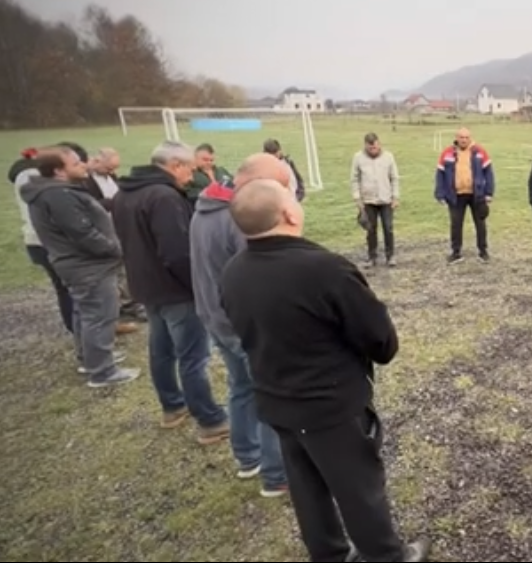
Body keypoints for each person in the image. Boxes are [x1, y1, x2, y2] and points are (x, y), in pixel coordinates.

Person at [221, 178, 429, 563]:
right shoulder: (325, 269)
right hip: (329, 407)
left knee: (307, 487)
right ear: (288, 213)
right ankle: (387, 557)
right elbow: (380, 340)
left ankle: (329, 554)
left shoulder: (233, 270)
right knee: (359, 490)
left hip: (276, 400)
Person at [112, 141, 229, 443]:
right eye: (190, 169)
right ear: (175, 165)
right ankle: (210, 420)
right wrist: (199, 286)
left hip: (146, 285)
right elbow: (177, 253)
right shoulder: (163, 197)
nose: (191, 177)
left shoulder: (125, 192)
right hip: (175, 290)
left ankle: (172, 406)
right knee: (193, 357)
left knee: (161, 350)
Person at [191, 154, 290, 498]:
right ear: (254, 183)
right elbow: (259, 277)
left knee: (241, 388)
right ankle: (277, 473)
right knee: (271, 394)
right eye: (279, 185)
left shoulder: (206, 207)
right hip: (243, 325)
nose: (283, 193)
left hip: (216, 317)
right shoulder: (240, 219)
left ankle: (248, 457)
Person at [19, 146, 141, 387]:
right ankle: (103, 371)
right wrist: (115, 249)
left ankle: (90, 358)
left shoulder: (55, 191)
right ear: (58, 171)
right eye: (76, 163)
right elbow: (83, 233)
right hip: (87, 267)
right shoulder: (58, 195)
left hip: (80, 264)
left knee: (85, 313)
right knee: (100, 315)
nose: (84, 165)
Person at [11, 147, 73, 334]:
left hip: (36, 241)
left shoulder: (26, 181)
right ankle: (79, 330)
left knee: (63, 288)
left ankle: (78, 329)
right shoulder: (39, 184)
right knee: (68, 288)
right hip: (47, 242)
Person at [85, 147, 144, 326]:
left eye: (114, 169)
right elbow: (87, 204)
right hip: (100, 229)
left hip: (118, 225)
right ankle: (120, 306)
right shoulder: (85, 180)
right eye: (108, 168)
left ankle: (129, 302)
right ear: (96, 161)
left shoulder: (111, 177)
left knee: (125, 265)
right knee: (113, 269)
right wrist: (113, 203)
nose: (112, 172)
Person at [434, 127, 494, 264]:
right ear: (456, 138)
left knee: (480, 224)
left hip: (477, 195)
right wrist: (440, 194)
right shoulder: (447, 153)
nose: (464, 140)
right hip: (455, 196)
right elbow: (440, 174)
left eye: (466, 137)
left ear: (470, 138)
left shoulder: (480, 152)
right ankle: (456, 253)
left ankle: (483, 251)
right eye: (461, 137)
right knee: (456, 225)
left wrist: (489, 192)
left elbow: (489, 172)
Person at [350, 132, 400, 267]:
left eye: (375, 147)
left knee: (388, 228)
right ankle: (372, 256)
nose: (373, 149)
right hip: (368, 200)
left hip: (386, 199)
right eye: (370, 148)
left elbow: (394, 178)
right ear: (366, 145)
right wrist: (357, 198)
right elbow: (354, 179)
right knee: (370, 229)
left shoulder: (388, 157)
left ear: (379, 144)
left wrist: (395, 197)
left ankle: (390, 256)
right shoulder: (358, 158)